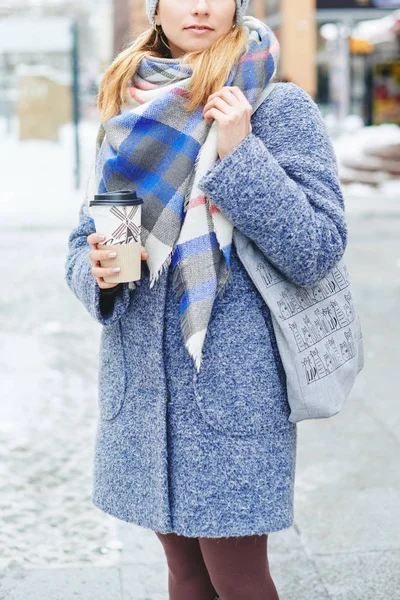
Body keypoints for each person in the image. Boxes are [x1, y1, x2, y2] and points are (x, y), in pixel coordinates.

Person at [64, 0, 348, 598]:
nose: (200, 6)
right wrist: (97, 271)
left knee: (240, 579)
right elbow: (87, 238)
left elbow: (317, 247)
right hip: (143, 392)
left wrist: (240, 151)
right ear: (156, 8)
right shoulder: (127, 105)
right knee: (184, 573)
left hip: (231, 392)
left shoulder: (274, 104)